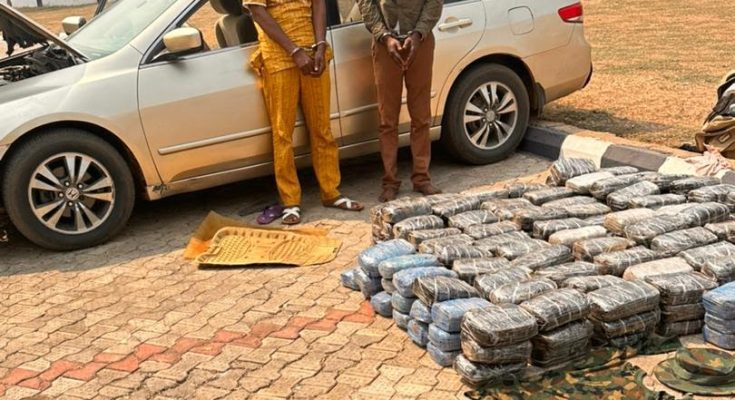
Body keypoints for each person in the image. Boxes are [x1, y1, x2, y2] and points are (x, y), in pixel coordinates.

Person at [246, 0, 363, 224]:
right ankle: (290, 201)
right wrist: (295, 51)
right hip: (279, 59)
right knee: (283, 133)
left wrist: (320, 44)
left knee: (321, 128)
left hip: (312, 54)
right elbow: (257, 12)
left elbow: (318, 4)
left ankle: (331, 192)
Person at [357, 0, 443, 202]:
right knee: (387, 119)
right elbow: (366, 4)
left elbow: (434, 2)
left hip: (420, 42)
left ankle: (421, 178)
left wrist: (418, 33)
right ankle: (390, 182)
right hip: (385, 46)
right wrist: (384, 37)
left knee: (421, 116)